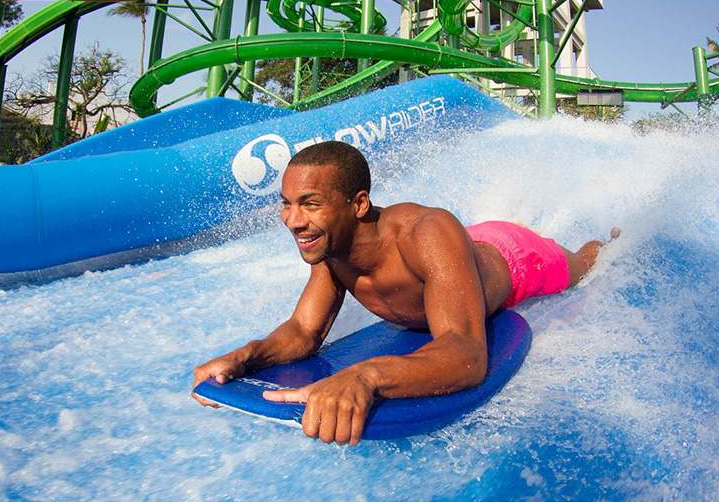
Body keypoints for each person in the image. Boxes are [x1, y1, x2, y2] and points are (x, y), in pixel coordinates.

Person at [192, 141, 619, 446]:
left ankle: (611, 241)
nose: (293, 220)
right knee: (454, 257)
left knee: (583, 265)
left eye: (310, 203)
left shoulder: (424, 230)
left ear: (358, 204)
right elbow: (303, 331)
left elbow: (466, 356)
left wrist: (365, 375)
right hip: (456, 254)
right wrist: (244, 357)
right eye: (286, 203)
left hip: (517, 259)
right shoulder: (330, 249)